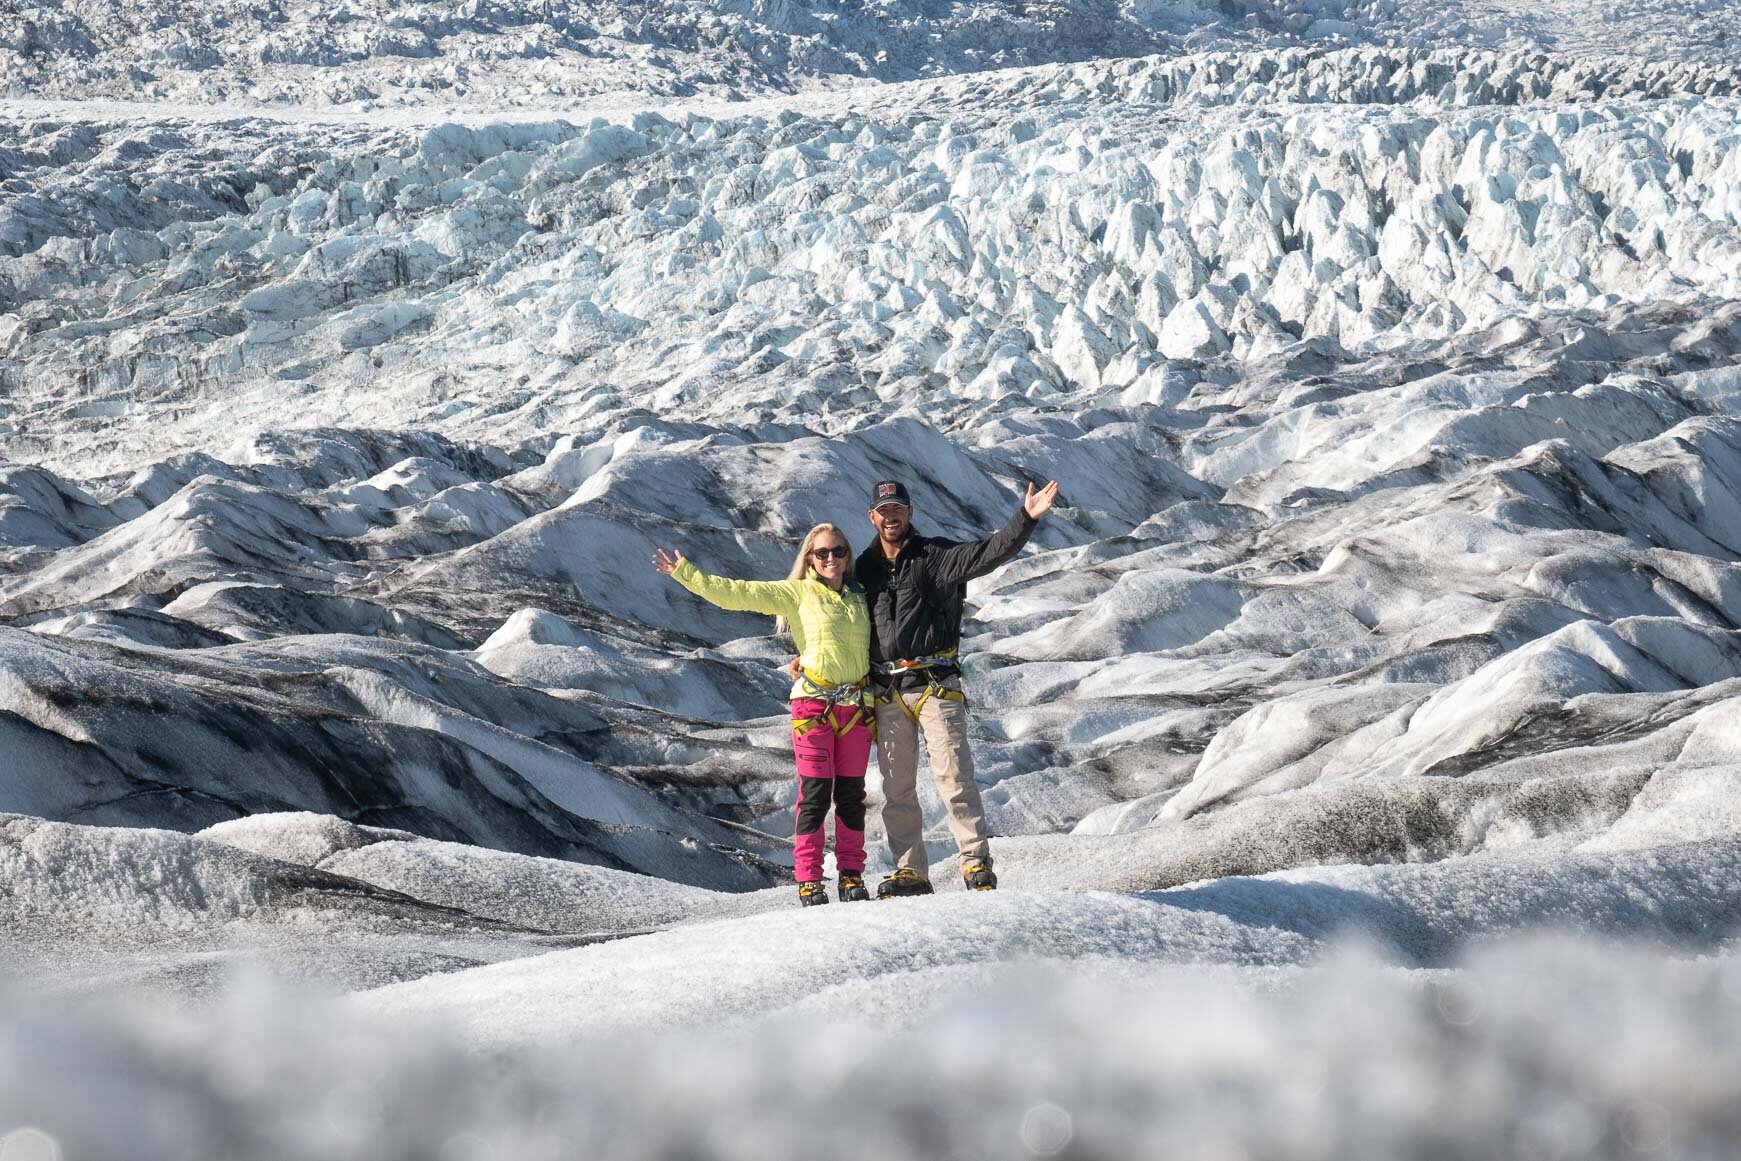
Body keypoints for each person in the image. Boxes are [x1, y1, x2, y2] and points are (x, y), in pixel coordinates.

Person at [653, 524, 874, 907]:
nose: (831, 559)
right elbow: (737, 594)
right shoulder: (797, 593)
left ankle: (851, 875)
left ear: (848, 554)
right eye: (822, 553)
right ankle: (809, 879)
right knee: (817, 794)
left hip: (855, 707)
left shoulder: (860, 595)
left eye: (838, 551)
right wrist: (686, 574)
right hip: (814, 706)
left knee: (852, 796)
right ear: (809, 558)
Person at [858, 477, 1059, 897]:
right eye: (883, 510)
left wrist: (1025, 518)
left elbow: (987, 554)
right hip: (887, 691)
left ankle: (975, 865)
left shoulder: (936, 556)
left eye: (898, 508)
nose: (890, 515)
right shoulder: (864, 569)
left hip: (935, 684)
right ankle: (910, 872)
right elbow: (834, 615)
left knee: (954, 777)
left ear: (910, 513)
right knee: (896, 789)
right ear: (872, 516)